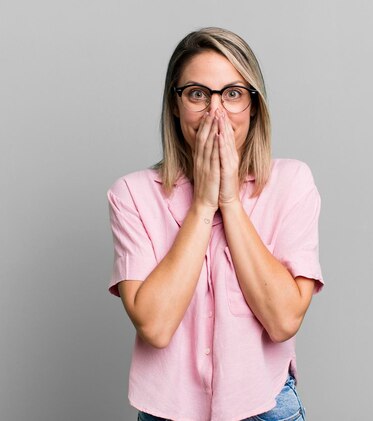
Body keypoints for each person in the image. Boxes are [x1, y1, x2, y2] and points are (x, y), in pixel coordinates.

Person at [107, 27, 323, 421]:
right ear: (175, 105)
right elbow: (155, 327)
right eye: (197, 94)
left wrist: (229, 202)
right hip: (166, 412)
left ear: (254, 106)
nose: (216, 112)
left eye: (233, 94)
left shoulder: (293, 184)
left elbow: (283, 321)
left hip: (267, 407)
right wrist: (203, 204)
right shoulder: (131, 195)